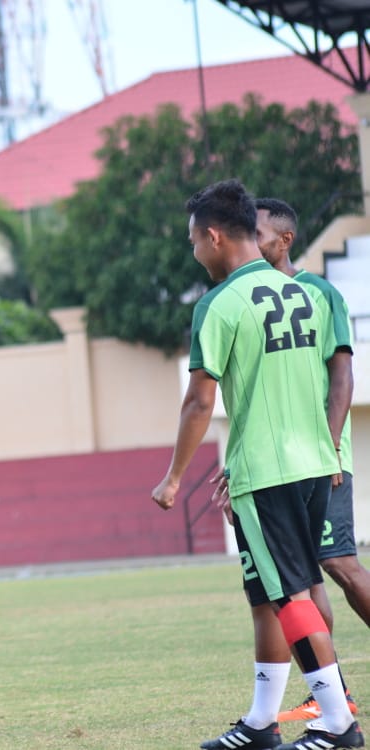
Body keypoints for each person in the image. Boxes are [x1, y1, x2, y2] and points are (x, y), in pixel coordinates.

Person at [152, 179, 361, 750]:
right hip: (316, 463)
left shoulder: (218, 305)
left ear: (215, 237)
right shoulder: (308, 294)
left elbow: (200, 400)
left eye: (195, 242)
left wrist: (174, 477)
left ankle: (339, 724)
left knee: (291, 595)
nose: (195, 253)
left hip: (266, 474)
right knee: (269, 592)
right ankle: (262, 723)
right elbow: (325, 374)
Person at [237, 197, 362, 725]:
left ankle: (331, 703)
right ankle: (331, 694)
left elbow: (341, 376)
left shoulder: (318, 292)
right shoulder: (249, 298)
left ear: (284, 240)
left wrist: (330, 447)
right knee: (303, 579)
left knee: (339, 565)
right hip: (285, 463)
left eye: (258, 233)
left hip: (321, 457)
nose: (250, 241)